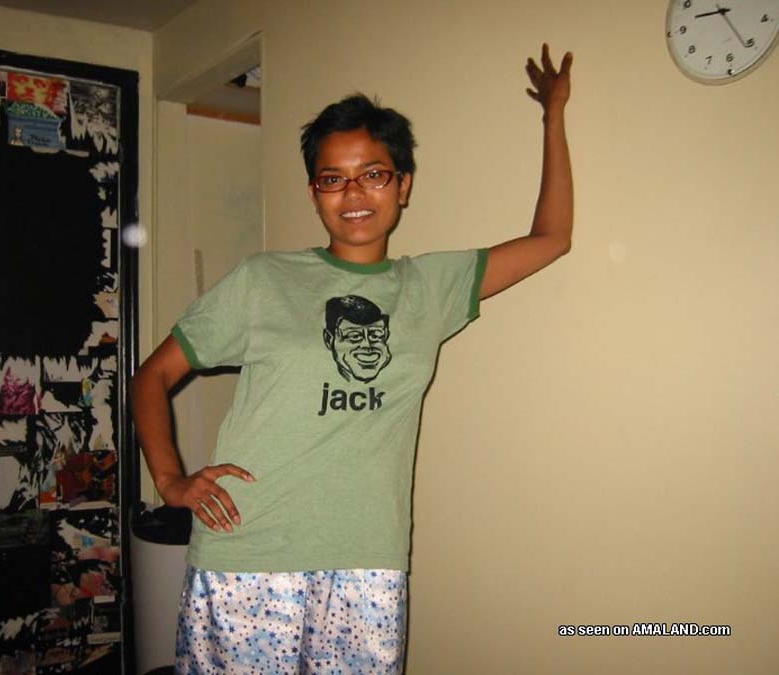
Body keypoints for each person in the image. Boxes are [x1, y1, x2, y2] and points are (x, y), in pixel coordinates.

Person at [131, 43, 573, 674]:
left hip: (369, 563)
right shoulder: (263, 279)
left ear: (403, 185)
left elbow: (551, 238)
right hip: (248, 554)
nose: (354, 192)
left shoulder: (428, 288)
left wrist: (553, 116)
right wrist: (170, 480)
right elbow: (154, 374)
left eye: (374, 173)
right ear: (314, 194)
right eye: (332, 178)